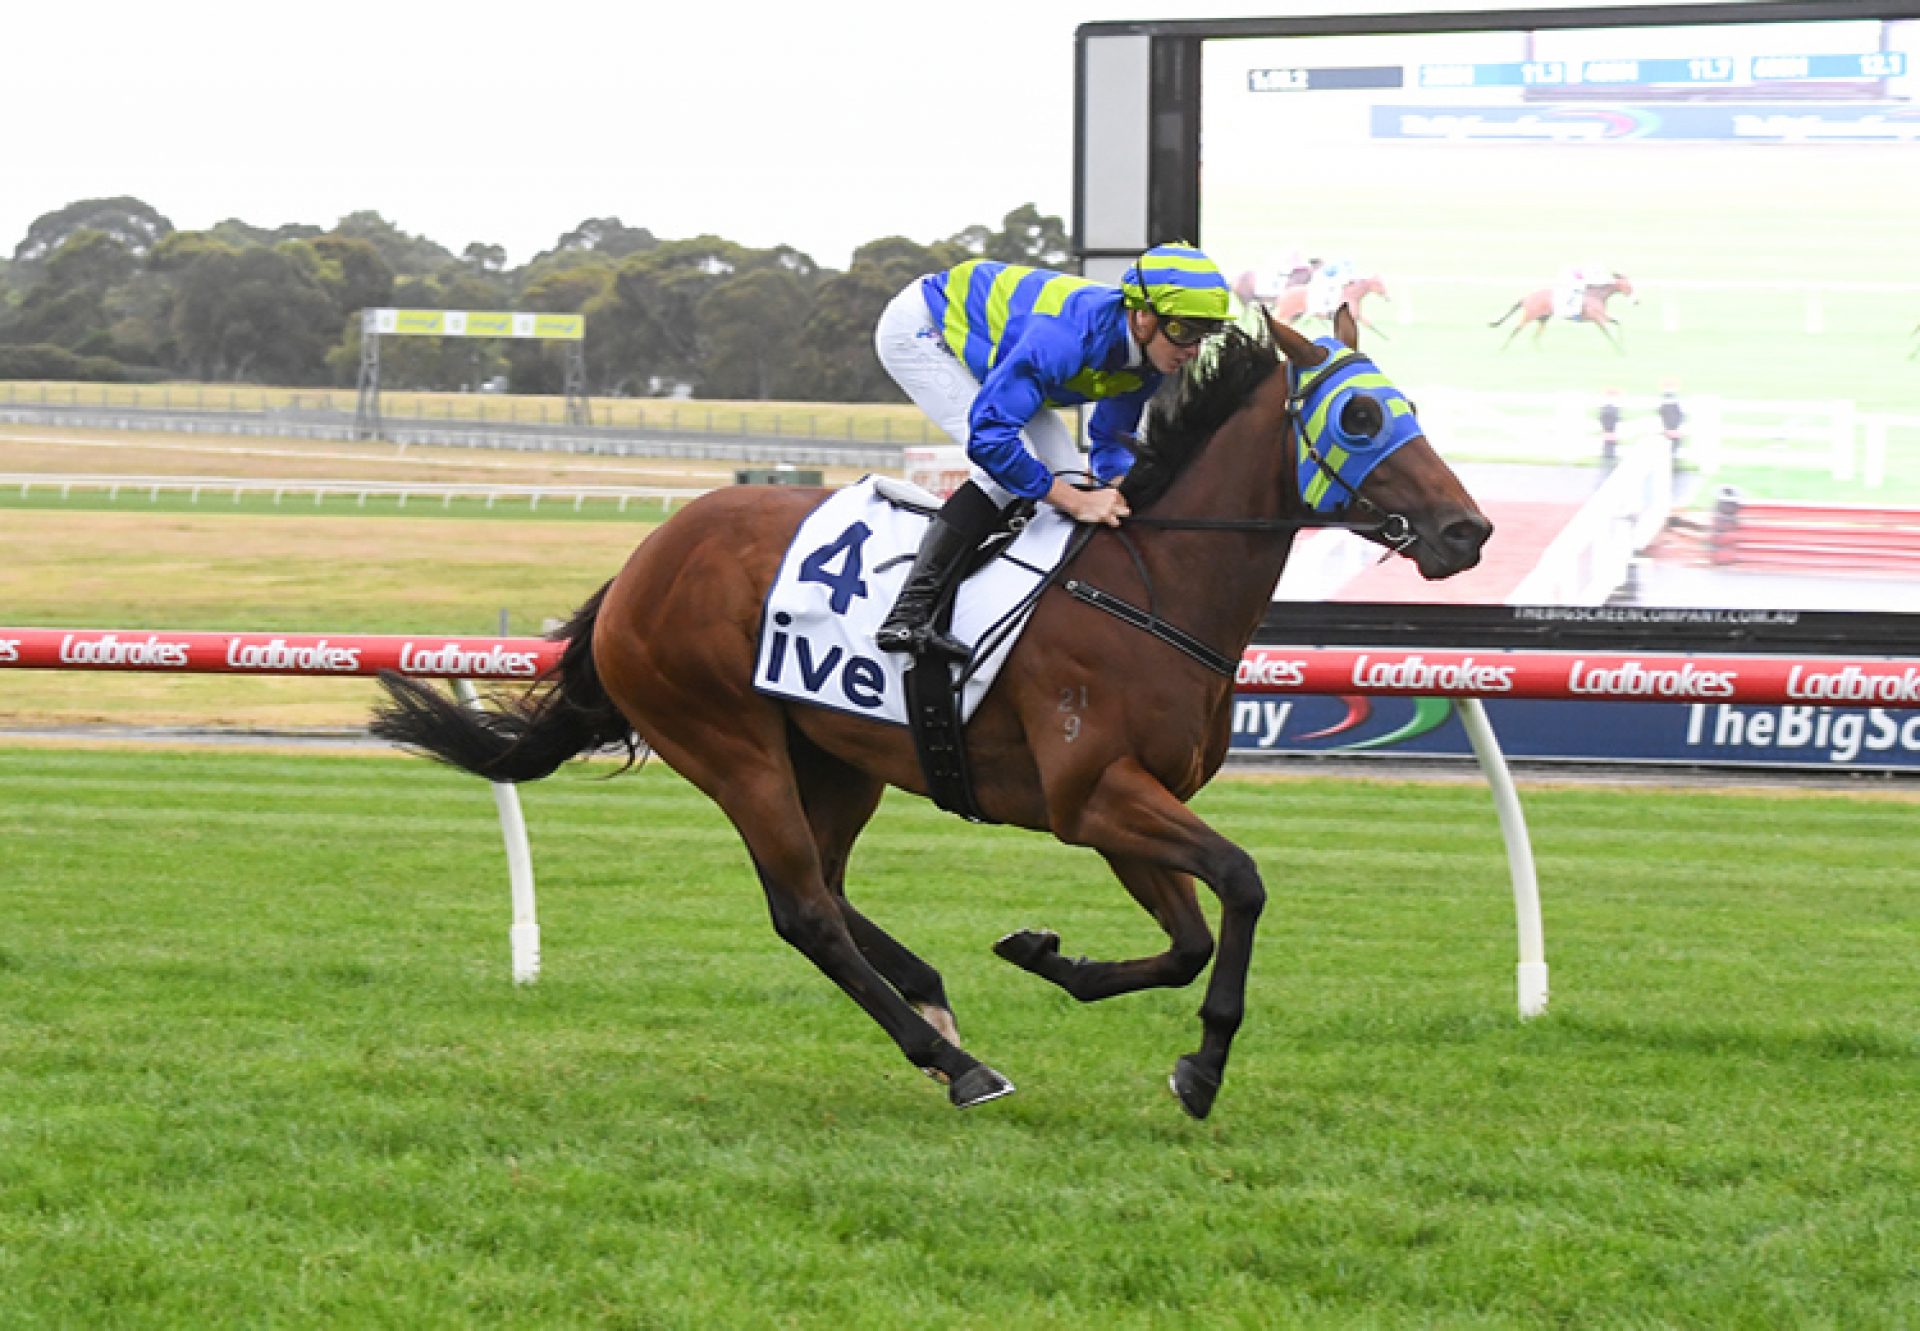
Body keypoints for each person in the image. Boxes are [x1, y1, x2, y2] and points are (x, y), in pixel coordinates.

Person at [871, 241, 1231, 659]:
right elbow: (990, 440)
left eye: (1204, 334)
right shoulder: (1065, 338)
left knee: (1069, 473)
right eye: (1185, 331)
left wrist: (1116, 489)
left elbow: (1110, 439)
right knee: (1009, 469)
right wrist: (1075, 501)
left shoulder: (1149, 360)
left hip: (1006, 347)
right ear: (1144, 316)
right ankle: (908, 615)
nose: (1192, 350)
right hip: (923, 328)